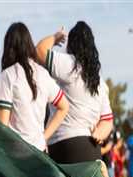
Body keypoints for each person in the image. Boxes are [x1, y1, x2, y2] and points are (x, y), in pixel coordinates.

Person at [37, 21, 113, 163]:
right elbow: (107, 120)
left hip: (63, 144)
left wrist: (55, 37)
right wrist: (99, 133)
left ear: (72, 44)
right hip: (91, 147)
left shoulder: (70, 64)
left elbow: (39, 51)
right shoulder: (100, 82)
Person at [0, 22, 69, 151]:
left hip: (16, 154)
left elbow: (2, 125)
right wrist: (44, 137)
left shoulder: (8, 75)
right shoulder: (43, 74)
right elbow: (64, 106)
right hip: (39, 152)